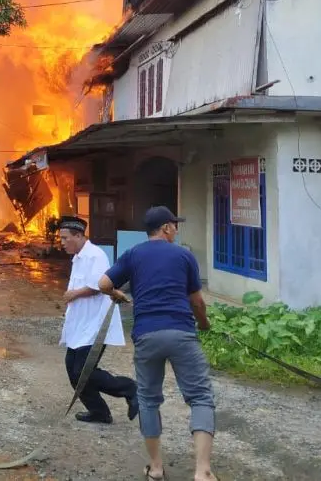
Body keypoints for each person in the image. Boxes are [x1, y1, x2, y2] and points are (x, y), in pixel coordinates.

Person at [99, 206, 216, 481]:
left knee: (148, 399)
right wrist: (204, 323)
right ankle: (203, 471)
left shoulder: (133, 254)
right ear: (165, 228)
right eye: (175, 225)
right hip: (181, 333)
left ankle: (155, 468)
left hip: (146, 334)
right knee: (200, 397)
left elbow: (103, 283)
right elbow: (197, 301)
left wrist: (118, 294)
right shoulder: (184, 255)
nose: (176, 229)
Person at [57, 215, 138, 424]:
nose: (62, 243)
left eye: (65, 238)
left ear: (78, 235)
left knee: (83, 371)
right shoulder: (78, 257)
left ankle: (129, 388)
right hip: (80, 324)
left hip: (95, 324)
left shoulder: (95, 255)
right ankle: (99, 412)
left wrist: (74, 294)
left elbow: (98, 286)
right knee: (72, 369)